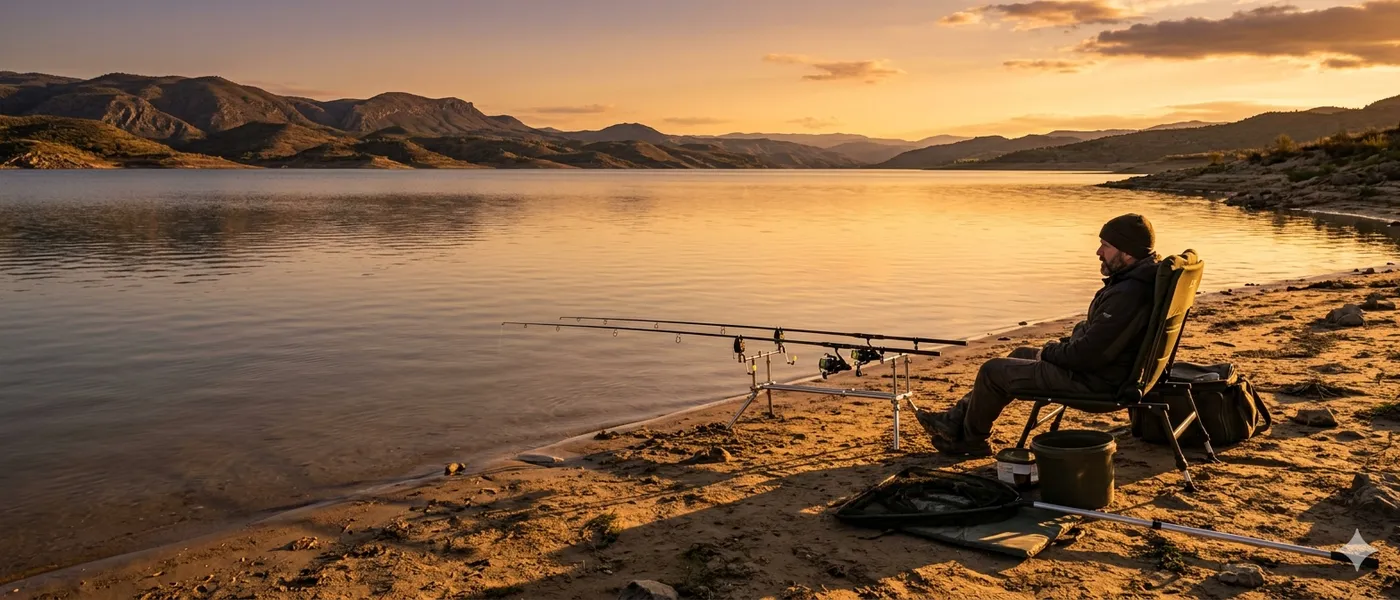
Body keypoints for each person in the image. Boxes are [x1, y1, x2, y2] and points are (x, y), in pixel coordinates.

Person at [916, 213, 1162, 456]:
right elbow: (1100, 342)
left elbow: (1087, 356)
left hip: (1095, 382)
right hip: (1105, 371)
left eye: (1106, 246)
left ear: (1128, 253)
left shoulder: (1128, 293)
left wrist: (1050, 351)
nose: (1098, 252)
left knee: (993, 371)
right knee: (1021, 353)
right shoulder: (1135, 280)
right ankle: (954, 419)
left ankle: (971, 442)